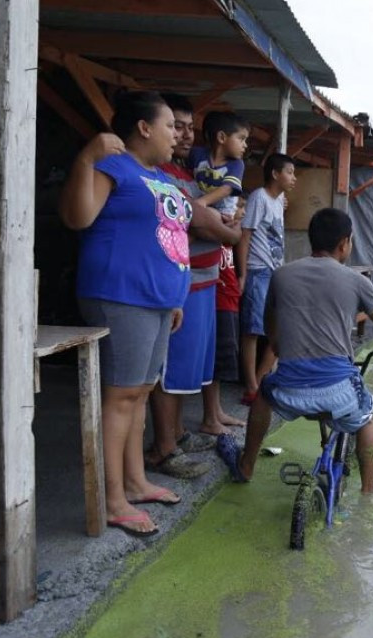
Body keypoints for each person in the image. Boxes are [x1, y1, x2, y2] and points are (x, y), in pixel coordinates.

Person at [60, 91, 195, 537]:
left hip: (157, 301)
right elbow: (77, 217)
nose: (177, 135)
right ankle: (112, 499)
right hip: (121, 295)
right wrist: (86, 157)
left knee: (139, 393)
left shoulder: (157, 176)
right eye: (170, 126)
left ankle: (136, 482)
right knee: (120, 397)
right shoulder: (112, 166)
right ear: (143, 127)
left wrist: (174, 297)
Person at [217, 208, 373, 490]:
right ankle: (368, 494)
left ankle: (246, 466)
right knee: (366, 420)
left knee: (262, 394)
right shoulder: (358, 281)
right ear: (344, 243)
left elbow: (271, 326)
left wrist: (279, 345)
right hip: (338, 390)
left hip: (289, 389)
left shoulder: (281, 275)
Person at [146, 94, 243, 479]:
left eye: (188, 127)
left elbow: (210, 220)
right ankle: (164, 449)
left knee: (185, 369)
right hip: (180, 285)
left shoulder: (189, 174)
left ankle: (177, 434)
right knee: (169, 371)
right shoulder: (162, 174)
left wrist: (224, 225)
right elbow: (199, 224)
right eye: (175, 126)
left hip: (203, 280)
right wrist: (227, 229)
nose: (184, 135)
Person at [236, 153, 296, 403]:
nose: (293, 178)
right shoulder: (259, 198)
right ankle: (251, 386)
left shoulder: (279, 198)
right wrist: (242, 274)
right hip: (258, 270)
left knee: (278, 329)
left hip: (275, 272)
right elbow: (245, 236)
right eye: (289, 172)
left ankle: (260, 381)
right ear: (274, 174)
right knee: (252, 330)